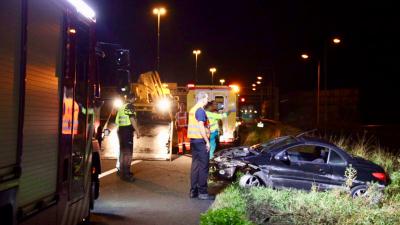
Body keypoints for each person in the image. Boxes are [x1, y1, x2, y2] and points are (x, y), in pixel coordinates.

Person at [188, 92, 215, 200]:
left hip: (193, 141)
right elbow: (200, 126)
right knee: (203, 167)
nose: (207, 101)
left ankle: (193, 191)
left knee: (195, 166)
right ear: (203, 99)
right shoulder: (200, 110)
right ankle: (202, 192)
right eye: (207, 98)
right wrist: (207, 141)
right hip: (200, 141)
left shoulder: (192, 109)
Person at [115, 96, 140, 182]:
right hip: (127, 132)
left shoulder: (121, 107)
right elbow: (132, 119)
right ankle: (126, 175)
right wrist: (138, 131)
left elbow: (116, 121)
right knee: (128, 154)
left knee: (123, 152)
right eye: (135, 99)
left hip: (121, 131)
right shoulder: (130, 106)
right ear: (132, 98)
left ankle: (123, 172)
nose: (134, 101)